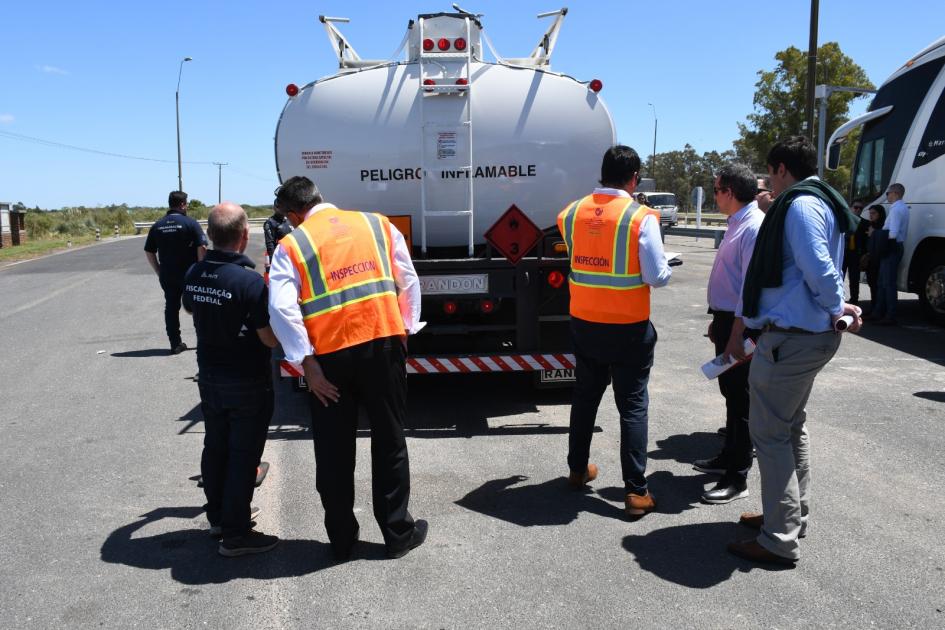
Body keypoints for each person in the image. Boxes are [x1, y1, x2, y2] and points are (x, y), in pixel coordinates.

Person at [267, 176, 428, 561]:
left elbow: (281, 308)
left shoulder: (293, 244)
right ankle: (397, 534)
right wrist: (406, 328)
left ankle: (341, 540)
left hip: (330, 360)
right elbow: (408, 279)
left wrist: (306, 363)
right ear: (321, 198)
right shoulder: (377, 224)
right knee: (389, 440)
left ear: (293, 214)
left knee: (334, 450)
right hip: (384, 344)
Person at [730, 136, 862, 566]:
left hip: (794, 337)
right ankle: (790, 513)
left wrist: (835, 305)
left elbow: (818, 265)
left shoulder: (801, 206)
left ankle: (779, 538)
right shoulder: (820, 200)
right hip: (805, 336)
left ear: (782, 169)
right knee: (789, 427)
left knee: (769, 433)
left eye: (770, 172)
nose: (769, 180)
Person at [557, 145, 672, 520]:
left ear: (602, 173)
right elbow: (656, 275)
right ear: (634, 177)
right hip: (628, 327)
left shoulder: (571, 214)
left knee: (585, 396)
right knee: (633, 404)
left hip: (585, 322)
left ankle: (577, 469)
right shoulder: (641, 217)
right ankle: (636, 492)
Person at [183, 203, 280, 557]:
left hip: (209, 376)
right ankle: (237, 534)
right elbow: (268, 338)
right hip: (246, 381)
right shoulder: (249, 282)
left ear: (210, 235)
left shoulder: (195, 272)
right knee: (243, 456)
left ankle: (220, 518)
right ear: (244, 236)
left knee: (216, 446)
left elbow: (191, 308)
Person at [695, 163, 763, 504]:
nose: (715, 194)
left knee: (741, 399)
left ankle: (738, 477)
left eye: (717, 189)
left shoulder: (752, 227)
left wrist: (736, 333)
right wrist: (719, 321)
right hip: (727, 320)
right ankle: (727, 457)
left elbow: (750, 291)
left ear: (730, 192)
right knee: (730, 392)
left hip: (741, 325)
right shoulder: (737, 223)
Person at [144, 191, 208, 353]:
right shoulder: (190, 223)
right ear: (183, 204)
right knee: (197, 307)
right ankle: (202, 342)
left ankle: (175, 344)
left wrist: (159, 270)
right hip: (190, 273)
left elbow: (149, 251)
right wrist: (201, 269)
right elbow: (203, 247)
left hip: (167, 274)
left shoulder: (157, 225)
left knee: (171, 308)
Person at [871, 183, 909, 325]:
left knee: (887, 283)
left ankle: (889, 315)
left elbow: (892, 234)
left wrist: (876, 234)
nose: (887, 195)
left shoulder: (897, 209)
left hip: (891, 248)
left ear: (896, 193)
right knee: (883, 282)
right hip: (893, 248)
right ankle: (879, 312)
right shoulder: (900, 208)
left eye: (888, 193)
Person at [842, 202, 870, 305]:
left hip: (856, 254)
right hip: (844, 253)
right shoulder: (844, 221)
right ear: (850, 208)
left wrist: (865, 254)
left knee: (854, 278)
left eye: (860, 208)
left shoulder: (865, 223)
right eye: (856, 207)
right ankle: (839, 299)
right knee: (840, 277)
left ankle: (854, 300)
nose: (858, 210)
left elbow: (867, 240)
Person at [861, 205, 888, 304]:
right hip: (870, 259)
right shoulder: (870, 225)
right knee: (871, 283)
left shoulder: (884, 226)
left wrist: (874, 233)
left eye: (874, 213)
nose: (871, 216)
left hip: (879, 260)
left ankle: (878, 308)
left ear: (880, 214)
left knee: (878, 285)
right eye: (870, 213)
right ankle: (873, 306)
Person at [263, 200, 293, 279]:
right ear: (274, 208)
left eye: (283, 207)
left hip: (291, 256)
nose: (281, 209)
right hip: (278, 257)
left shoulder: (289, 220)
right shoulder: (270, 223)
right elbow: (270, 244)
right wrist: (274, 263)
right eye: (278, 207)